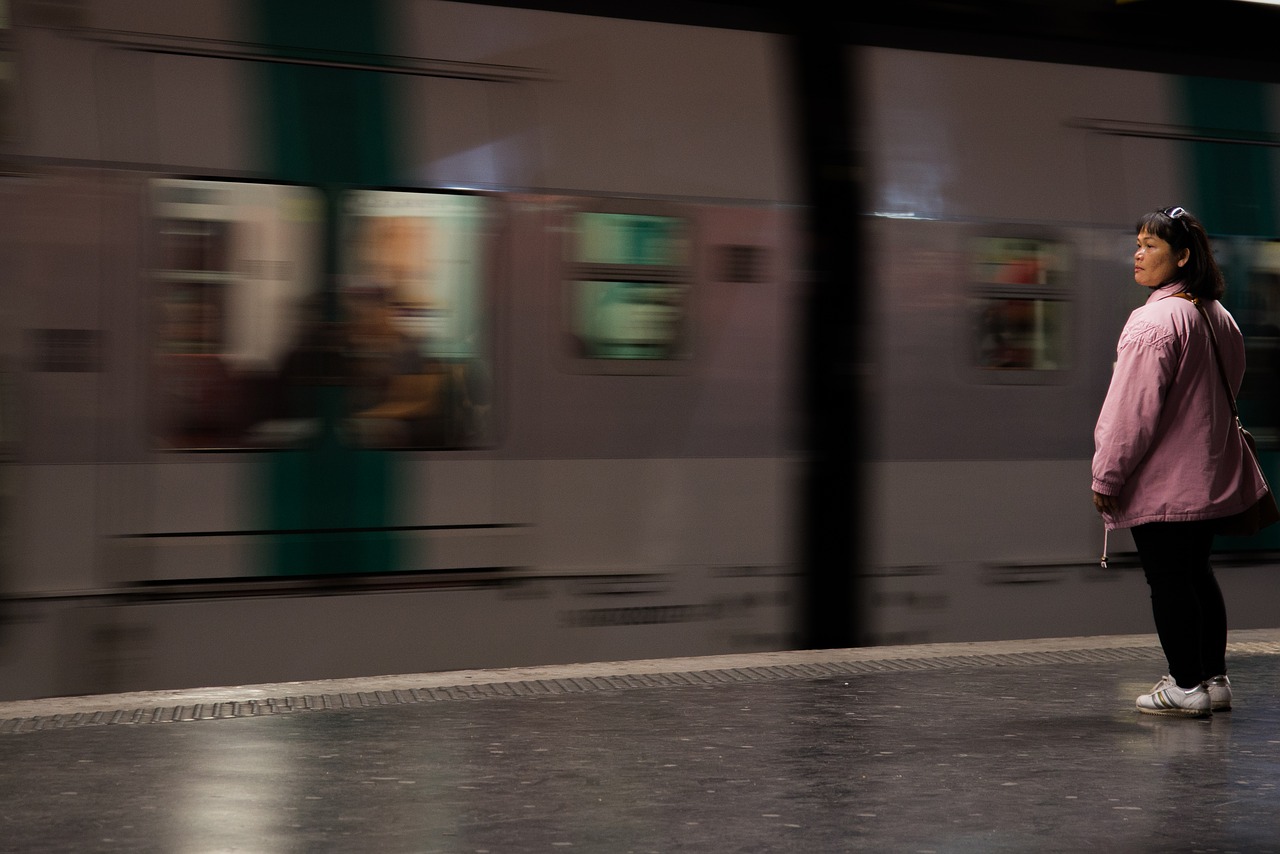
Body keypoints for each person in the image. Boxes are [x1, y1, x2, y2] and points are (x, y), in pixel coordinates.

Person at [1092, 206, 1269, 718]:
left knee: (1168, 578)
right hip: (1207, 474)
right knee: (1196, 573)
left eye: (1151, 245)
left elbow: (1131, 412)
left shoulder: (1153, 320)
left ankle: (1185, 684)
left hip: (1163, 481)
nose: (1138, 253)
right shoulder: (1219, 315)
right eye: (1138, 243)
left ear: (1183, 256)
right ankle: (1213, 680)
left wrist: (1107, 475)